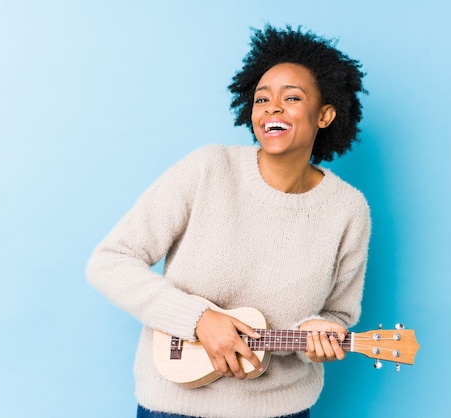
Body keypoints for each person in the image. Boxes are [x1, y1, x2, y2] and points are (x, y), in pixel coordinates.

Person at [87, 24, 370, 418]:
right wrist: (197, 319)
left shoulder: (347, 209)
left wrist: (320, 334)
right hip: (173, 408)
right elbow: (110, 260)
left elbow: (337, 316)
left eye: (291, 98)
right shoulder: (209, 169)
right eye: (262, 99)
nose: (272, 107)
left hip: (282, 411)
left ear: (324, 115)